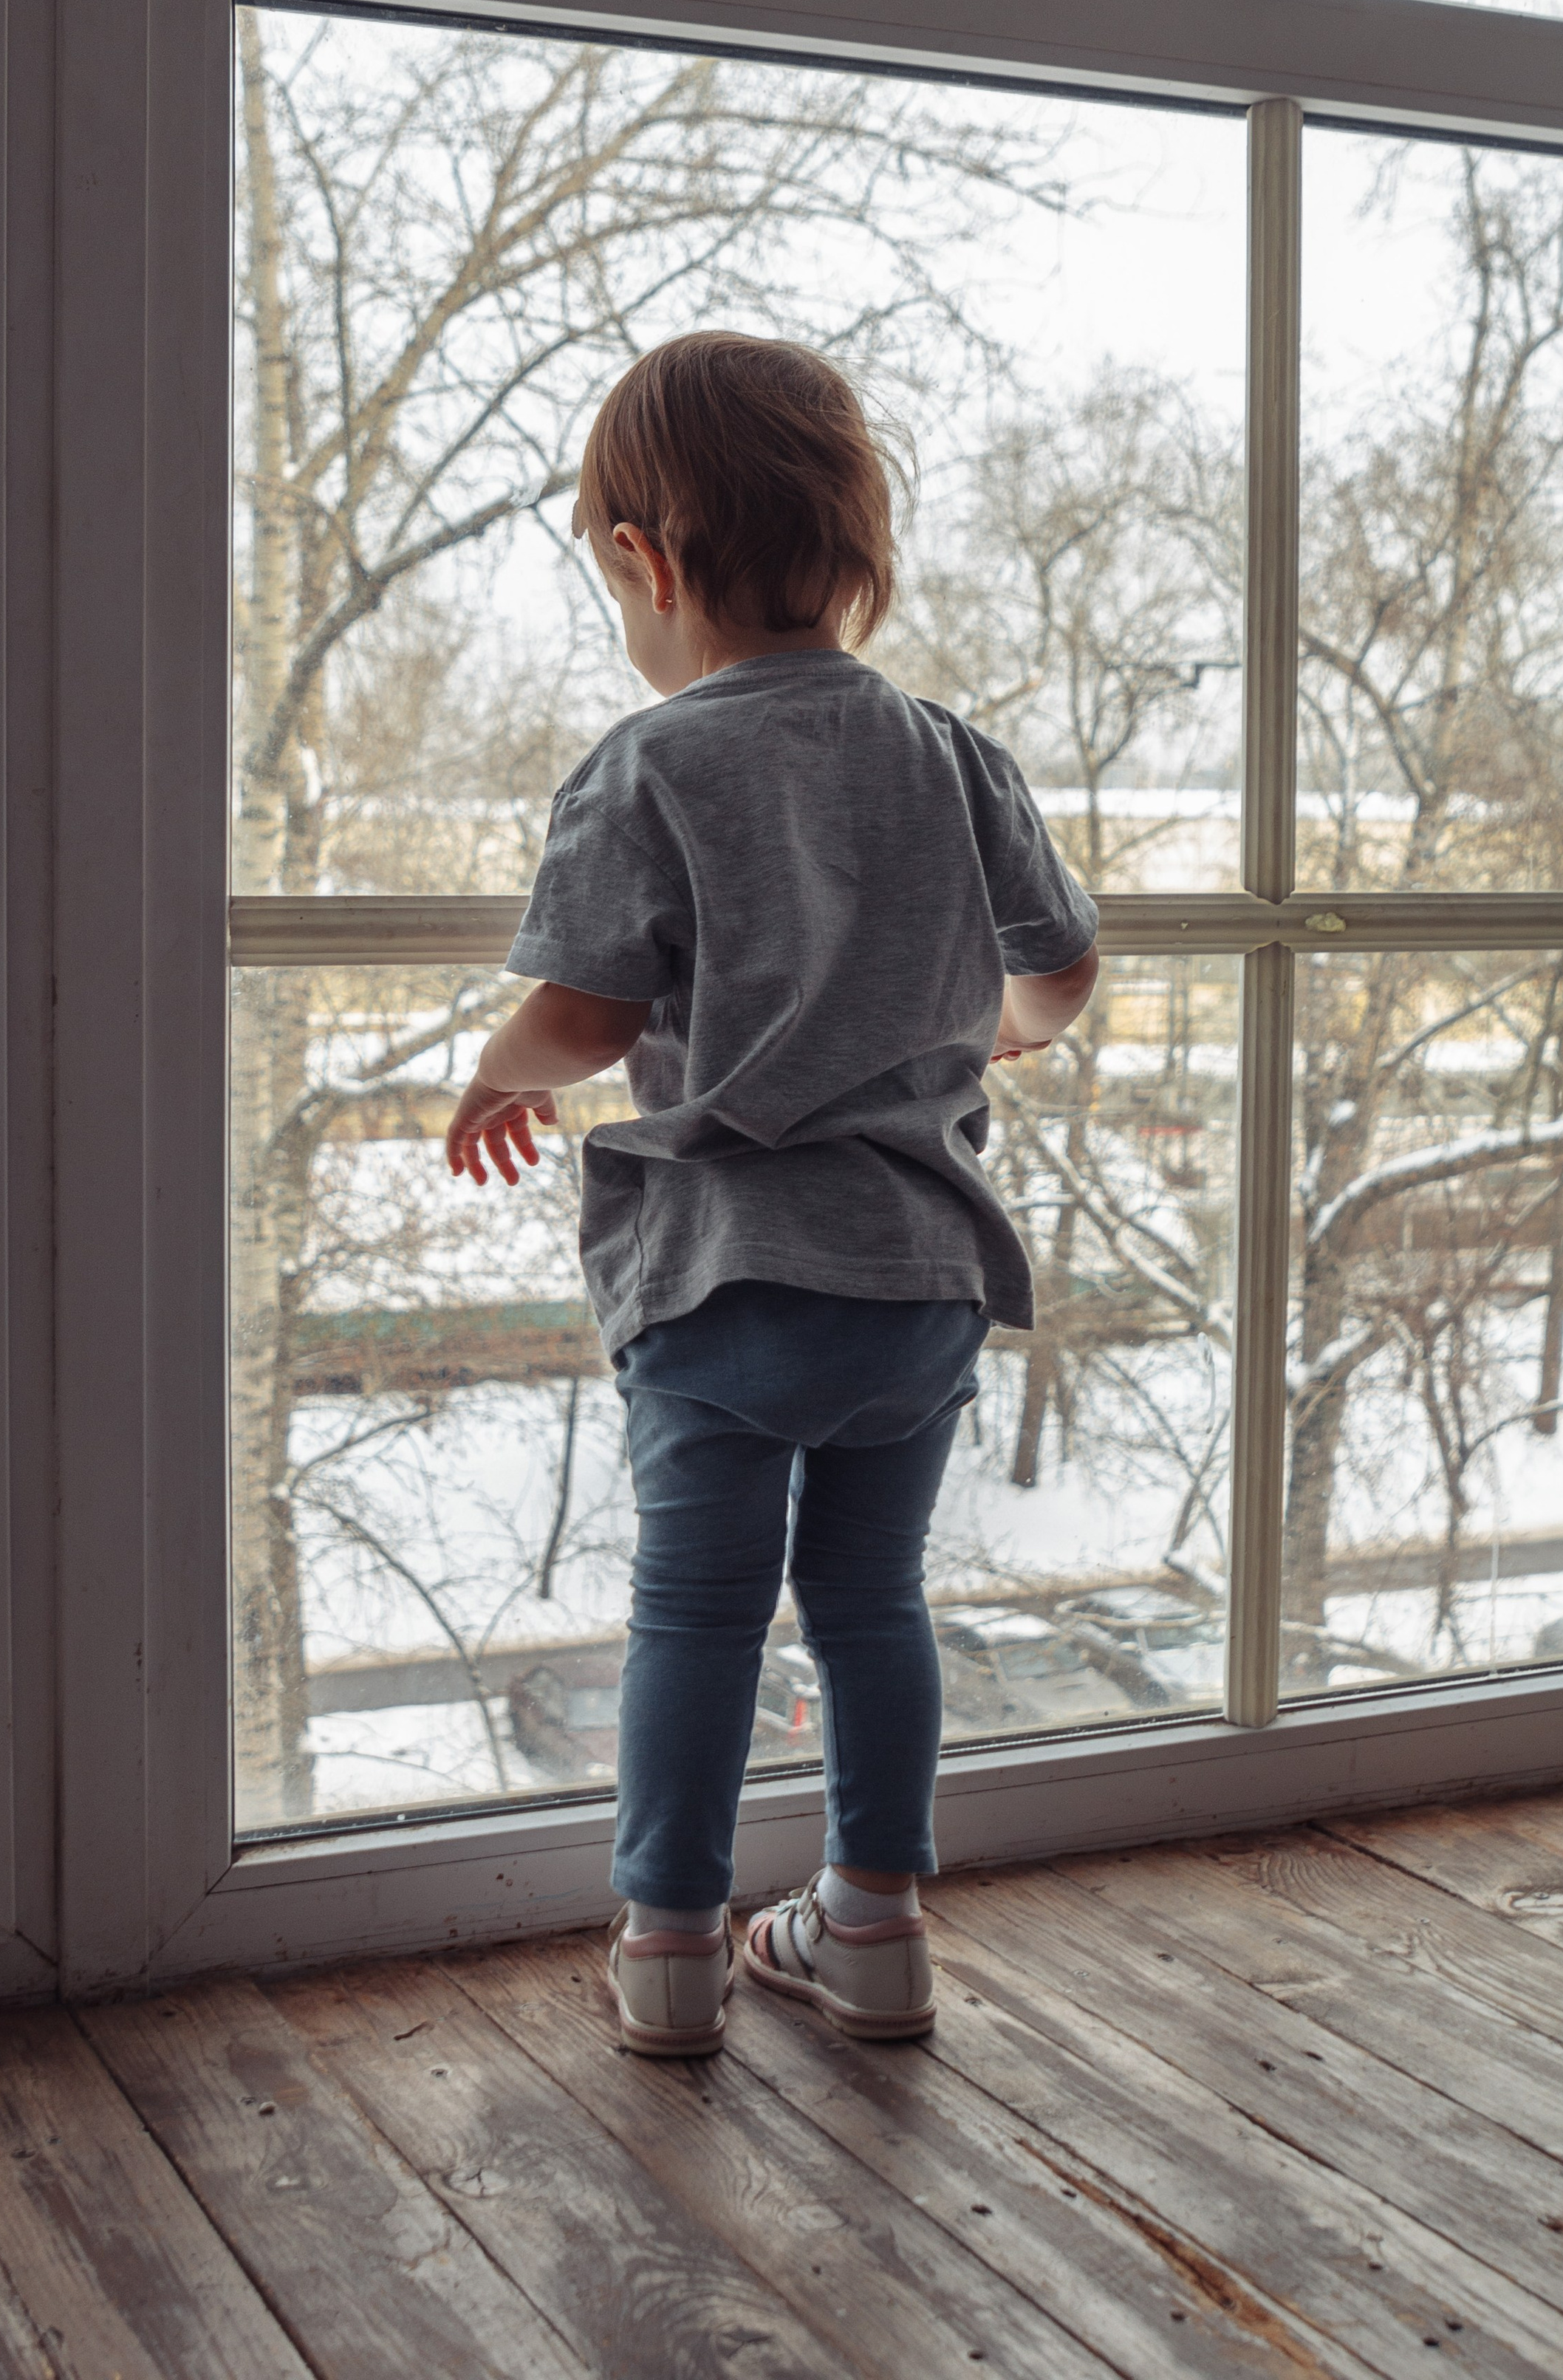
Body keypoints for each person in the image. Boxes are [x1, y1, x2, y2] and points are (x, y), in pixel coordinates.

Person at [444, 329, 1098, 2057]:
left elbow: (583, 1017)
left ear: (644, 564)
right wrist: (994, 1032)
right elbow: (1060, 970)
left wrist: (494, 1073)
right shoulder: (952, 754)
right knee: (871, 1606)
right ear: (855, 556)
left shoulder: (650, 766)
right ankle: (871, 1933)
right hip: (919, 1277)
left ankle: (671, 1949)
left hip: (726, 1277)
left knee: (696, 1614)